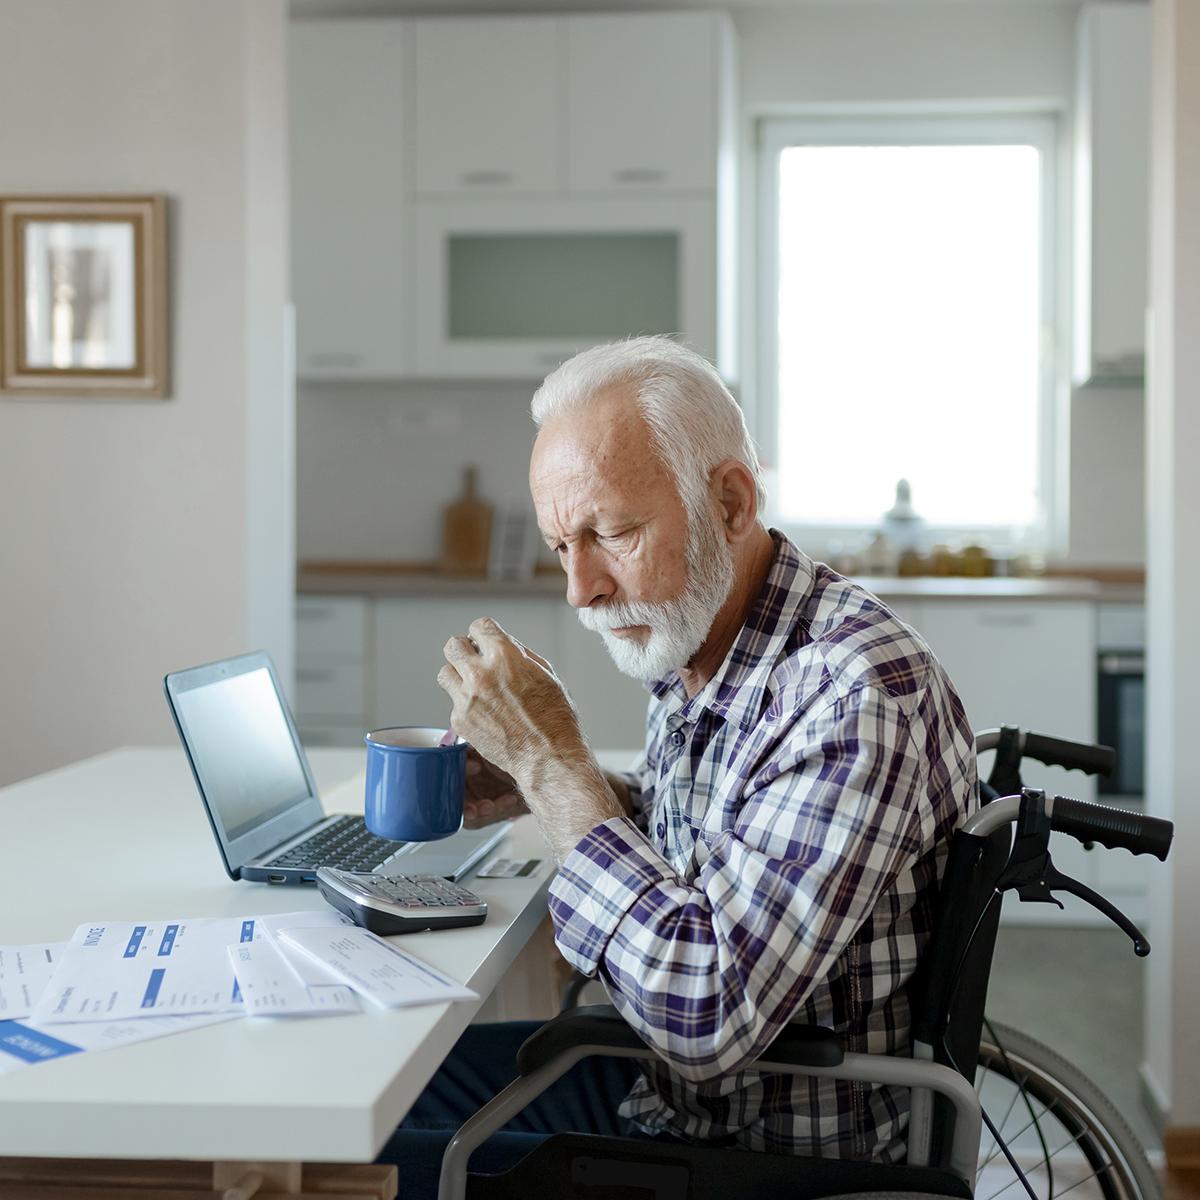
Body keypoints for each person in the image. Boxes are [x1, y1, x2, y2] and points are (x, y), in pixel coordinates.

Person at [378, 336, 976, 1191]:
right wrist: (541, 786)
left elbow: (706, 1011)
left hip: (753, 1155)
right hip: (673, 1099)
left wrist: (555, 765)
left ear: (730, 501)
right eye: (560, 547)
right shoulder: (712, 637)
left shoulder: (853, 692)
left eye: (611, 533)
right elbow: (720, 836)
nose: (581, 588)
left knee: (362, 1156)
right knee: (395, 1075)